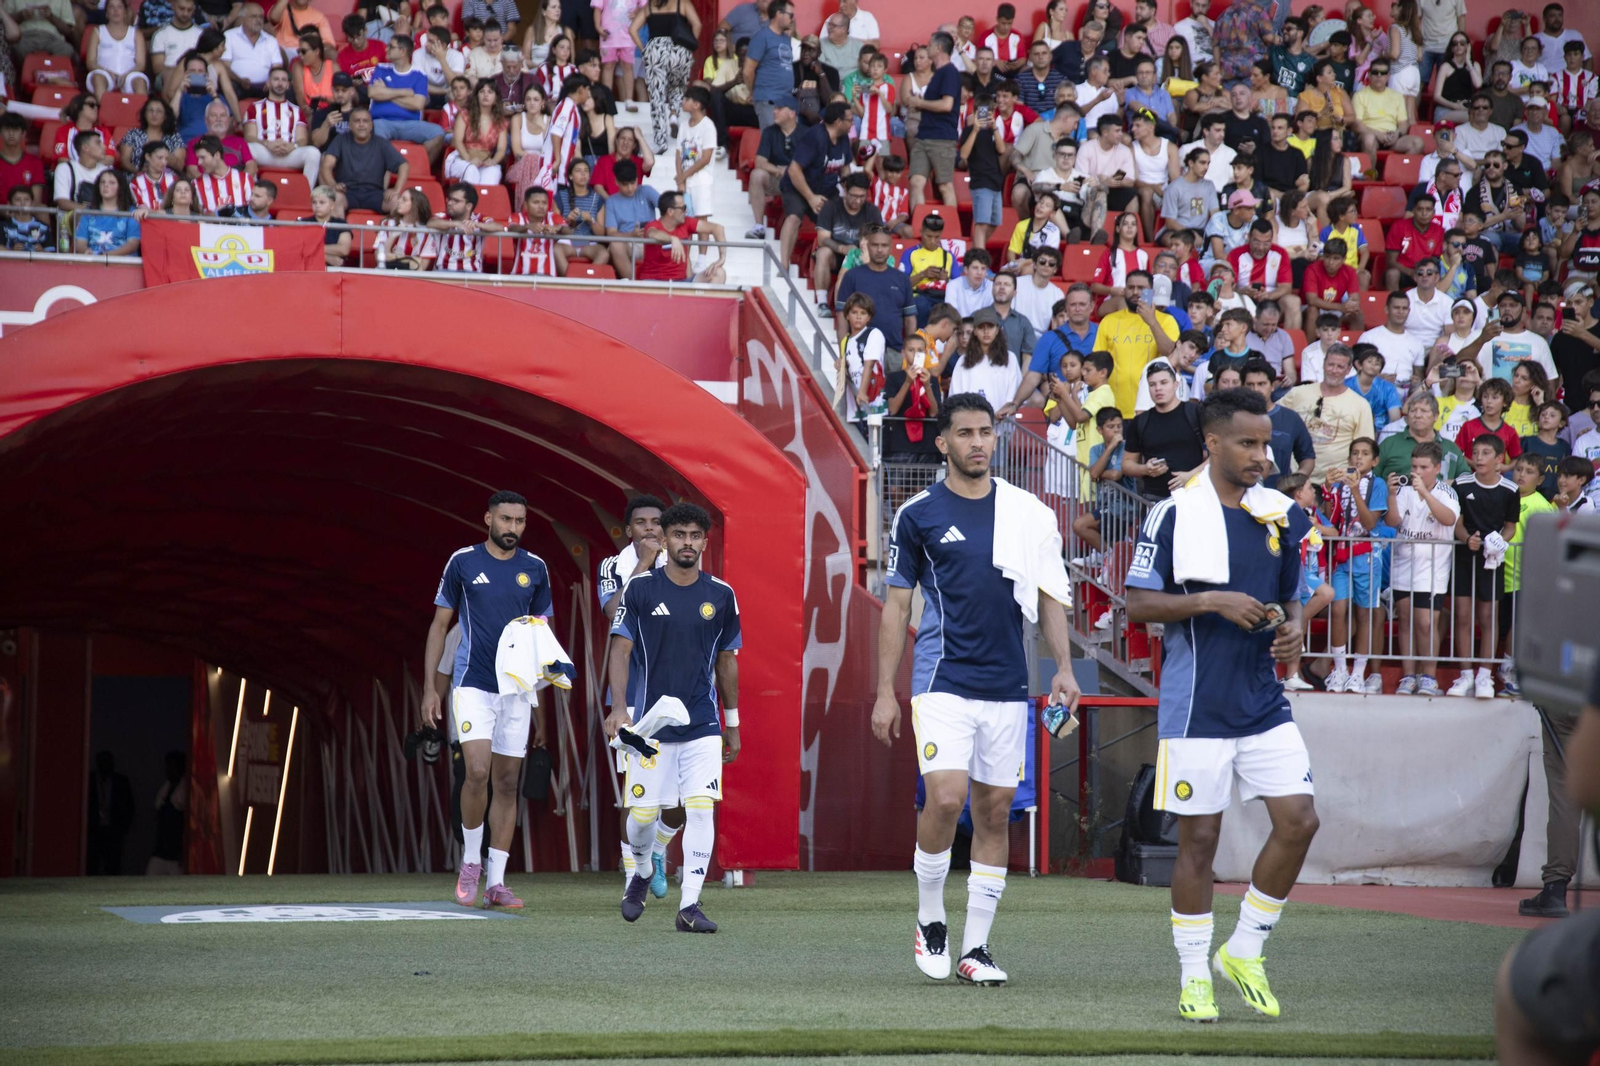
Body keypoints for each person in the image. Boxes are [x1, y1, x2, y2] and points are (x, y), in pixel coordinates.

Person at [1124, 387, 1319, 1024]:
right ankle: (1192, 976)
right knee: (1199, 842)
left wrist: (1293, 629)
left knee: (1300, 822)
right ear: (1211, 443)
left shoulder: (1281, 515)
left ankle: (1245, 949)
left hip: (1262, 698)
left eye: (1267, 443)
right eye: (1248, 443)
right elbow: (1139, 606)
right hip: (1196, 705)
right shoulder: (1174, 514)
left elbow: (1294, 597)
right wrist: (1213, 601)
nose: (1263, 455)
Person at [873, 391, 1077, 985]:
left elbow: (1050, 595)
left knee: (994, 813)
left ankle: (976, 949)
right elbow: (896, 607)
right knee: (944, 798)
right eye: (965, 433)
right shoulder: (917, 514)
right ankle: (931, 917)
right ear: (943, 443)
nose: (978, 443)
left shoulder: (1027, 512)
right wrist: (886, 691)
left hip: (1008, 686)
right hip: (941, 681)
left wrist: (1062, 668)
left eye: (986, 432)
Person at [605, 503, 740, 933]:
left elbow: (726, 660)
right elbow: (620, 649)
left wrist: (732, 721)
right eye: (678, 534)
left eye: (694, 535)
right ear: (664, 539)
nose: (687, 542)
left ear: (705, 541)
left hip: (703, 722)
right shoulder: (641, 589)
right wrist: (619, 707)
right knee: (642, 816)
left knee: (701, 810)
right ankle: (642, 871)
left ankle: (690, 906)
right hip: (650, 725)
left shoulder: (721, 594)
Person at [421, 491, 552, 909]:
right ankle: (470, 862)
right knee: (476, 772)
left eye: (520, 521)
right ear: (488, 520)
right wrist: (429, 689)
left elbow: (540, 636)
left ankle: (496, 882)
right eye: (506, 519)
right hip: (472, 683)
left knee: (508, 783)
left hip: (516, 690)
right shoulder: (463, 561)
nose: (513, 527)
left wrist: (542, 695)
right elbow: (440, 625)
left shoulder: (536, 568)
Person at [1443, 435, 1519, 698]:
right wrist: (1466, 538)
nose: (1478, 457)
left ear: (1499, 459)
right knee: (1462, 616)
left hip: (1492, 560)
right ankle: (1466, 676)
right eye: (1475, 452)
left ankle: (1485, 675)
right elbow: (1457, 521)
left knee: (1489, 617)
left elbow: (1510, 527)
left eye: (1486, 453)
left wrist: (1499, 540)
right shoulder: (1462, 484)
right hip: (1464, 556)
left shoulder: (1510, 490)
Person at [1384, 440, 1459, 696]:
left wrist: (1425, 494)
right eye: (1414, 466)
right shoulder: (1405, 490)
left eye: (1423, 467)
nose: (1417, 471)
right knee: (1404, 621)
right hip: (1404, 563)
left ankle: (1429, 676)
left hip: (1433, 568)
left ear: (1437, 468)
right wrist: (1391, 495)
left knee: (1426, 623)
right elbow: (1393, 521)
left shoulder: (1446, 493)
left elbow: (1449, 519)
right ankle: (1408, 676)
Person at [1280, 344, 1375, 478]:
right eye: (1331, 364)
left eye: (1340, 367)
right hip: (1295, 478)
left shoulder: (1361, 405)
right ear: (1323, 364)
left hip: (1337, 482)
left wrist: (1347, 477)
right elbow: (1273, 418)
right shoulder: (1297, 393)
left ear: (1348, 370)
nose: (1334, 370)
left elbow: (1365, 451)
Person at [779, 100, 852, 271]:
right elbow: (794, 170)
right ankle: (783, 265)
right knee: (793, 218)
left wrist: (851, 190)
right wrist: (811, 198)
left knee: (841, 223)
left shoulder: (843, 138)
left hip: (826, 189)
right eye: (850, 120)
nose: (852, 123)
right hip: (798, 187)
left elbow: (845, 168)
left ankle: (828, 263)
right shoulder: (815, 136)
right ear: (838, 122)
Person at [1099, 270, 1180, 414]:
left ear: (1151, 291)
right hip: (1115, 409)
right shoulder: (1108, 321)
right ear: (1124, 290)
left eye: (1141, 288)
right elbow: (1099, 365)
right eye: (1131, 287)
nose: (1135, 292)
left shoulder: (1167, 321)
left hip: (1152, 408)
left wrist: (1152, 322)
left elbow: (1170, 353)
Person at [1122, 362, 1206, 500]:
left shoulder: (1196, 413)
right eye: (1152, 385)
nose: (1158, 388)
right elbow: (1127, 464)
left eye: (1163, 382)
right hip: (1154, 498)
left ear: (1176, 385)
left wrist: (1191, 475)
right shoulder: (1140, 421)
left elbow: (1218, 453)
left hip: (1193, 495)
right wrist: (1145, 469)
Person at [906, 31, 962, 210]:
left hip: (942, 138)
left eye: (929, 45)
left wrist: (920, 102)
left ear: (938, 48)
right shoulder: (938, 73)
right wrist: (921, 105)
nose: (927, 47)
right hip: (924, 136)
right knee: (915, 181)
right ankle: (918, 227)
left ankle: (950, 233)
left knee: (945, 186)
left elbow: (947, 105)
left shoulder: (950, 72)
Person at [370, 36, 447, 164]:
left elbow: (418, 104)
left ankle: (417, 170)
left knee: (438, 133)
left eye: (391, 46)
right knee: (374, 131)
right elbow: (373, 93)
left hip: (410, 124)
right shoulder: (381, 68)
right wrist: (405, 92)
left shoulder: (419, 74)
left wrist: (387, 93)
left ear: (402, 51)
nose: (386, 49)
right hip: (381, 122)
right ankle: (381, 175)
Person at [320, 105, 408, 214]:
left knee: (396, 201)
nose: (361, 124)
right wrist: (333, 185)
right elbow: (326, 165)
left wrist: (396, 189)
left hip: (375, 193)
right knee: (335, 198)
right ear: (350, 125)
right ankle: (340, 231)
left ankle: (392, 232)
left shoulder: (381, 143)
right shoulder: (341, 140)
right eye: (357, 121)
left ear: (371, 125)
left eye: (365, 121)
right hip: (347, 191)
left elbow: (403, 165)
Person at [245, 66, 320, 183]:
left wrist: (292, 146)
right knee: (248, 148)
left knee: (314, 153)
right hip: (266, 152)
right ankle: (252, 194)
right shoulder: (255, 107)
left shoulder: (296, 110)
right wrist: (267, 144)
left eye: (283, 80)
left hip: (289, 153)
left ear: (288, 85)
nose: (280, 83)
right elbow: (249, 137)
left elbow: (302, 139)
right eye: (276, 79)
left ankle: (306, 195)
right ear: (268, 83)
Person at [636, 189, 726, 282]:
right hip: (653, 282)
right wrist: (672, 239)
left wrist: (721, 258)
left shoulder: (686, 222)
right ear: (670, 211)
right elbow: (652, 233)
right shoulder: (653, 225)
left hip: (681, 282)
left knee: (719, 273)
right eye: (683, 208)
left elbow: (718, 228)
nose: (686, 210)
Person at [741, 0, 792, 130]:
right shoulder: (762, 36)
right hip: (768, 100)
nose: (792, 19)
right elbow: (748, 71)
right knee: (771, 143)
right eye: (790, 15)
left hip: (785, 101)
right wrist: (754, 91)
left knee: (783, 144)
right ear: (779, 14)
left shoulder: (786, 38)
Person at [86, 751, 135, 875]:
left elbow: (129, 806)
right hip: (93, 830)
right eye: (103, 762)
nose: (106, 765)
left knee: (113, 866)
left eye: (108, 762)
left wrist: (123, 829)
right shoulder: (88, 780)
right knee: (91, 865)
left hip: (113, 831)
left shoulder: (121, 781)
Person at [86, 0, 149, 96]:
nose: (115, 10)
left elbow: (141, 64)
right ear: (106, 12)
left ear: (125, 11)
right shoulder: (98, 31)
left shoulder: (136, 34)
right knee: (98, 79)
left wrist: (126, 75)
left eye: (119, 7)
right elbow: (90, 62)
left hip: (130, 74)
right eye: (111, 7)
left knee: (140, 82)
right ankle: (105, 110)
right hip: (104, 73)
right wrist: (109, 73)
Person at [146, 751, 188, 876]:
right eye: (168, 766)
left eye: (173, 766)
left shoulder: (186, 791)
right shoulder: (165, 790)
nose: (169, 770)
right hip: (161, 852)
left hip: (177, 855)